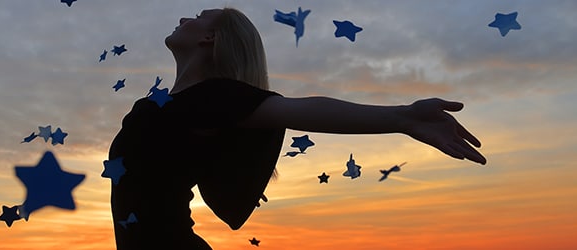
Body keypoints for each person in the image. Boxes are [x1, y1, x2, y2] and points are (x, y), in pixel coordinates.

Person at [107, 7, 486, 249]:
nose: (185, 18)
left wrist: (404, 117)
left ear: (210, 39)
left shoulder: (216, 97)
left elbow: (300, 110)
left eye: (199, 17)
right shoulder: (173, 105)